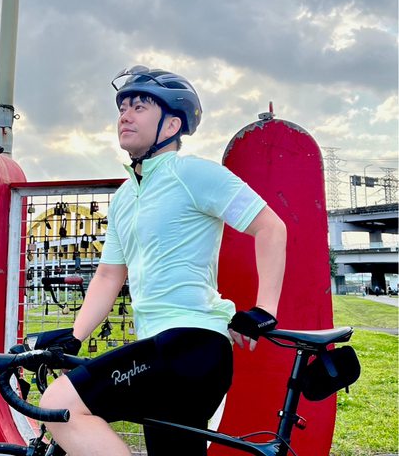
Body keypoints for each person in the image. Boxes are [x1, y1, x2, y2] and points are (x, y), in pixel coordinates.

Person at [40, 66, 287, 456]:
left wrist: (264, 310)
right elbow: (109, 275)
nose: (125, 115)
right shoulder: (125, 197)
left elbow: (270, 227)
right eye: (122, 108)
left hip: (192, 343)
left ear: (172, 124)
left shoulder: (192, 173)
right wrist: (76, 334)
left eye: (139, 107)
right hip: (158, 348)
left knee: (59, 404)